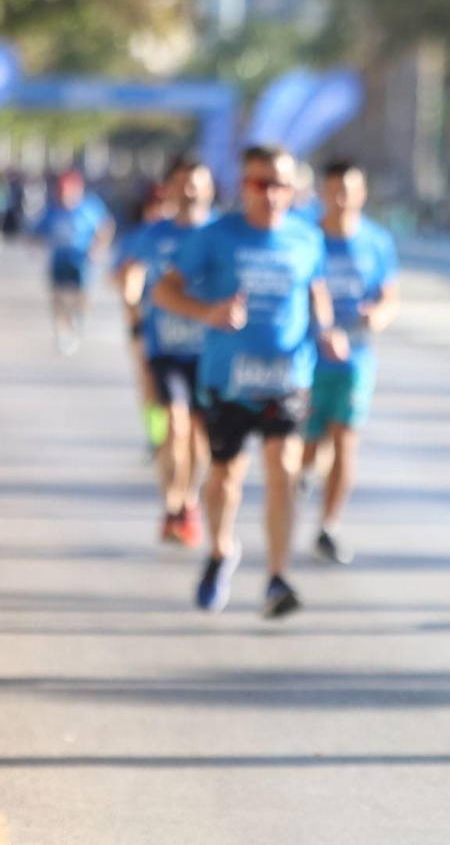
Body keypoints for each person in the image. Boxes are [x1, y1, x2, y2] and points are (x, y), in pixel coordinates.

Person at [154, 144, 347, 619]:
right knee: (226, 478)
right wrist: (209, 313)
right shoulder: (217, 236)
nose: (271, 194)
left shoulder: (306, 238)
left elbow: (316, 290)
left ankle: (277, 579)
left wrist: (326, 331)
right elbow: (163, 289)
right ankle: (221, 551)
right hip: (227, 379)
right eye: (261, 183)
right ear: (244, 186)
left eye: (281, 185)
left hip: (288, 374)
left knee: (283, 468)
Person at [300, 160, 400, 565]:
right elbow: (306, 290)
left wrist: (376, 316)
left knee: (345, 439)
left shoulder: (376, 240)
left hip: (356, 358)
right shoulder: (306, 238)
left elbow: (390, 296)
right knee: (309, 444)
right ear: (323, 193)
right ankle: (303, 476)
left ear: (362, 195)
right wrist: (322, 328)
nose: (341, 199)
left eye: (349, 191)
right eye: (334, 190)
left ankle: (328, 525)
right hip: (308, 358)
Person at [117, 159, 214, 546]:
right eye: (182, 184)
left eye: (196, 184)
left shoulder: (220, 233)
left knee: (200, 439)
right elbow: (129, 274)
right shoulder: (152, 234)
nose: (189, 191)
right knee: (174, 424)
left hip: (211, 350)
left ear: (209, 189)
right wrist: (136, 325)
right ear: (169, 189)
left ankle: (189, 500)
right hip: (165, 346)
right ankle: (171, 505)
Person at [115, 181, 175, 455]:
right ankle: (156, 435)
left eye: (164, 204)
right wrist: (134, 321)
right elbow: (120, 276)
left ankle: (174, 435)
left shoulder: (188, 236)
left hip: (182, 325)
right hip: (147, 323)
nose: (159, 211)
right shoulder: (139, 238)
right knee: (149, 380)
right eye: (153, 206)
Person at [35, 169, 114, 355]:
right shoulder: (52, 210)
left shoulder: (89, 207)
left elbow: (106, 225)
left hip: (82, 261)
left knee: (83, 297)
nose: (64, 196)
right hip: (59, 261)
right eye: (61, 191)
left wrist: (99, 246)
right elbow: (38, 231)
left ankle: (79, 319)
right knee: (58, 299)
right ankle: (63, 334)